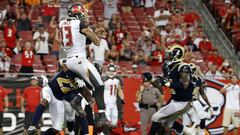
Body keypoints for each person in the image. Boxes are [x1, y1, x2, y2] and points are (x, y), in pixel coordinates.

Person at [58, 3, 111, 127]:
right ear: (80, 13)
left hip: (68, 60)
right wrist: (94, 34)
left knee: (90, 85)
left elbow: (78, 37)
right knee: (99, 85)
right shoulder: (80, 24)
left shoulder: (62, 23)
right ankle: (102, 116)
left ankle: (77, 100)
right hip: (79, 60)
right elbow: (96, 41)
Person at [149, 44, 195, 135]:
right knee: (166, 123)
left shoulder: (184, 67)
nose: (167, 56)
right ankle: (187, 131)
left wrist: (168, 83)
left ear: (177, 55)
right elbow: (162, 85)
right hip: (175, 99)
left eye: (170, 54)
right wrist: (154, 81)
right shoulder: (168, 67)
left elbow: (185, 85)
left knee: (156, 117)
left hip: (184, 101)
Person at [182, 63, 213, 135]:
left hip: (195, 101)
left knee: (203, 118)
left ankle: (201, 133)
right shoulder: (182, 80)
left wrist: (209, 105)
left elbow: (203, 94)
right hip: (185, 102)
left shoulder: (198, 80)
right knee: (186, 124)